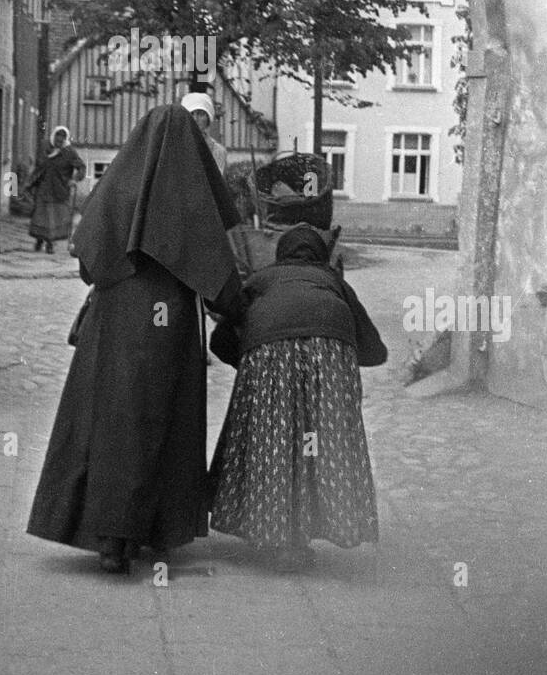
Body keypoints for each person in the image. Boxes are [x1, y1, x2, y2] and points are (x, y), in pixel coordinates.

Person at [27, 103, 243, 574]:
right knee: (159, 425)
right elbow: (223, 284)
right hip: (171, 331)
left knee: (110, 422)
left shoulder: (117, 187)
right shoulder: (191, 198)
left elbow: (87, 264)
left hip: (116, 323)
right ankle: (151, 530)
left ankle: (109, 540)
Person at [208, 204, 386, 572]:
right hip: (330, 353)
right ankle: (306, 533)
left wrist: (251, 366)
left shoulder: (261, 279)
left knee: (274, 440)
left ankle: (276, 535)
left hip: (268, 353)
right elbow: (374, 350)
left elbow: (221, 339)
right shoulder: (334, 282)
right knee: (318, 442)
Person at [26, 125, 85, 253]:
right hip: (43, 188)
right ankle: (39, 240)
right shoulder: (46, 149)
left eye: (62, 138)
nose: (60, 141)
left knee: (53, 218)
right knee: (40, 216)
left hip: (59, 190)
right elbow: (39, 168)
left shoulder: (69, 152)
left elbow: (81, 167)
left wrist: (74, 179)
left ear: (66, 139)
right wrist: (30, 183)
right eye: (58, 137)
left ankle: (49, 243)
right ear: (53, 137)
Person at [180, 91, 227, 175]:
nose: (195, 118)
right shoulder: (175, 146)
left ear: (208, 118)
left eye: (201, 114)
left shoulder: (218, 150)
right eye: (191, 114)